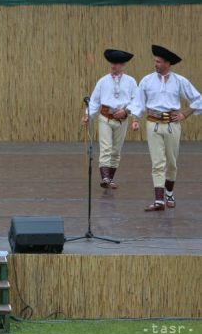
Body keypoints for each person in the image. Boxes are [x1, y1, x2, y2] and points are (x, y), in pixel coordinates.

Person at [128, 45, 202, 211]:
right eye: (155, 61)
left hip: (172, 126)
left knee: (172, 163)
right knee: (157, 163)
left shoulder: (180, 81)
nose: (156, 64)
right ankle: (159, 201)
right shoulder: (147, 80)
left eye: (159, 62)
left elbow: (198, 99)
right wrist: (135, 119)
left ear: (168, 63)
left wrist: (185, 114)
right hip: (153, 124)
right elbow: (138, 102)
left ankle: (169, 193)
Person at [81, 49, 136, 188]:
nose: (113, 66)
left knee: (116, 151)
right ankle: (105, 178)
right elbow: (94, 101)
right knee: (106, 148)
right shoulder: (103, 81)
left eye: (117, 63)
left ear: (123, 65)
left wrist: (126, 111)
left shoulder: (130, 81)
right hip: (105, 118)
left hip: (122, 120)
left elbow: (136, 100)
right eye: (112, 63)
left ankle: (110, 179)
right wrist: (88, 115)